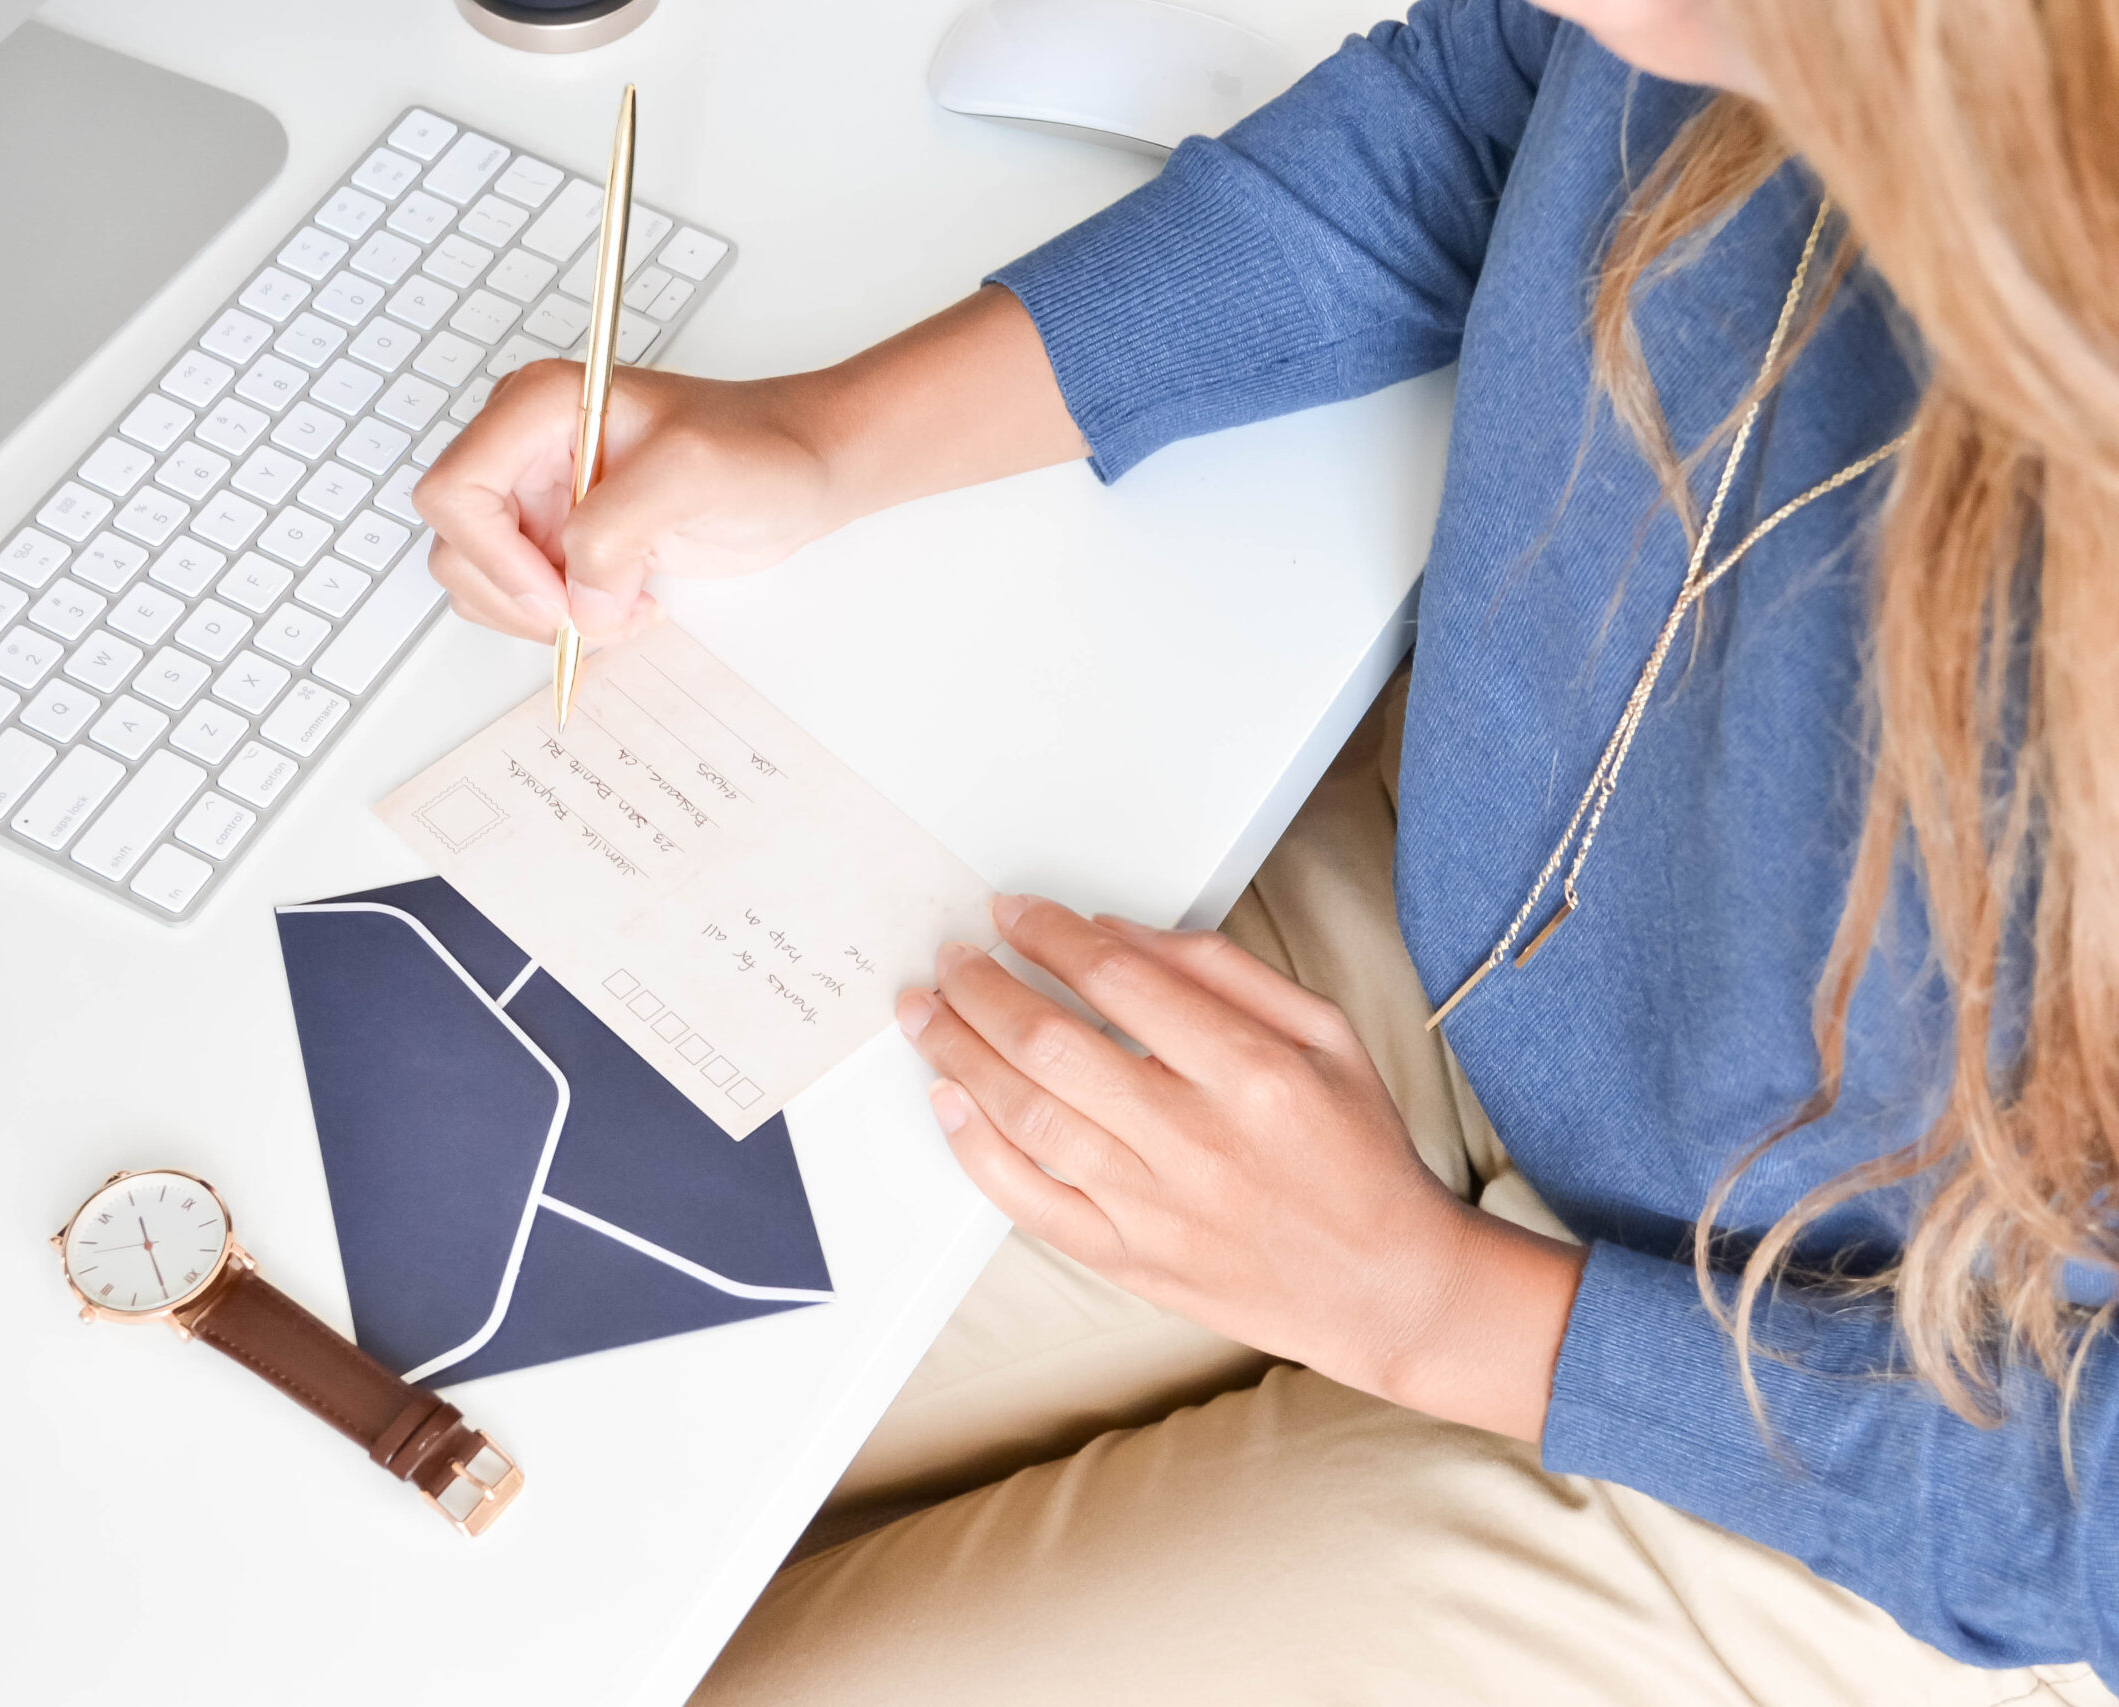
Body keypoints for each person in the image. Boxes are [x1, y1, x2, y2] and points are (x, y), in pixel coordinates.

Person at [415, 0, 2119, 1699]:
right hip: (1474, 942)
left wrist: (1429, 1310)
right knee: (512, 1392)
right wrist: (820, 436)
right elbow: (1485, 107)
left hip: (1893, 1424)